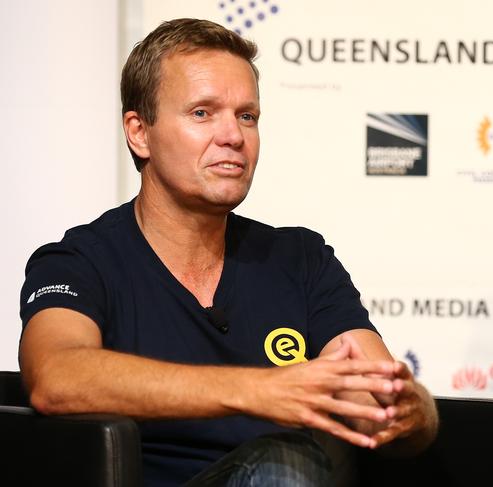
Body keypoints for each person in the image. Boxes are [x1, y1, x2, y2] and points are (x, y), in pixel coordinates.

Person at [18, 18, 438, 486]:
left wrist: (409, 410)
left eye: (246, 116)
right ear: (139, 132)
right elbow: (56, 377)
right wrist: (259, 390)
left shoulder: (300, 257)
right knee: (288, 467)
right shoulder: (80, 261)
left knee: (294, 462)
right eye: (202, 113)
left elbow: (379, 397)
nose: (233, 136)